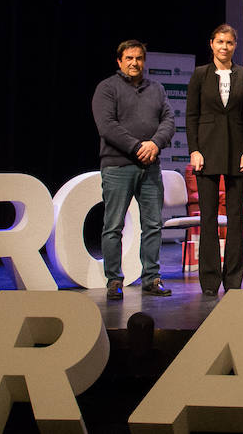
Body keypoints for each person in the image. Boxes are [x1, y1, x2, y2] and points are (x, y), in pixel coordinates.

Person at [92, 39, 175, 299]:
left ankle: (152, 278)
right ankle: (114, 281)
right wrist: (139, 147)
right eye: (128, 58)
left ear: (144, 61)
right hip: (118, 166)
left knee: (153, 224)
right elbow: (107, 125)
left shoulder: (157, 88)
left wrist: (155, 144)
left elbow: (169, 120)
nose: (134, 63)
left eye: (138, 58)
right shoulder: (107, 88)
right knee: (113, 225)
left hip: (150, 167)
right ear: (119, 61)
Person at [186, 24, 243, 297]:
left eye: (229, 42)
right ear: (211, 44)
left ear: (235, 45)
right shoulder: (200, 74)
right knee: (209, 218)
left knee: (236, 218)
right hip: (207, 153)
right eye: (220, 42)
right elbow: (191, 116)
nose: (224, 47)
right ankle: (210, 281)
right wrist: (195, 150)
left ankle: (234, 279)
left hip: (238, 152)